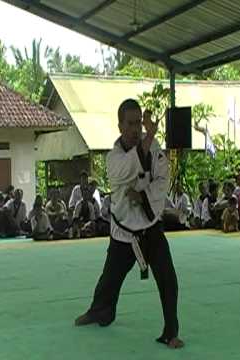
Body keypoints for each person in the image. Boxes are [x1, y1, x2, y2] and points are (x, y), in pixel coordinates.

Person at [74, 99, 183, 349]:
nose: (136, 129)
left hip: (150, 225)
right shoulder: (114, 157)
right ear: (120, 125)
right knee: (110, 277)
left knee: (168, 278)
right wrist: (148, 140)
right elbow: (124, 172)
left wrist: (143, 196)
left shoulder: (153, 148)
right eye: (131, 124)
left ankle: (171, 331)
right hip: (124, 229)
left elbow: (162, 180)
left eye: (139, 124)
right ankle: (100, 312)